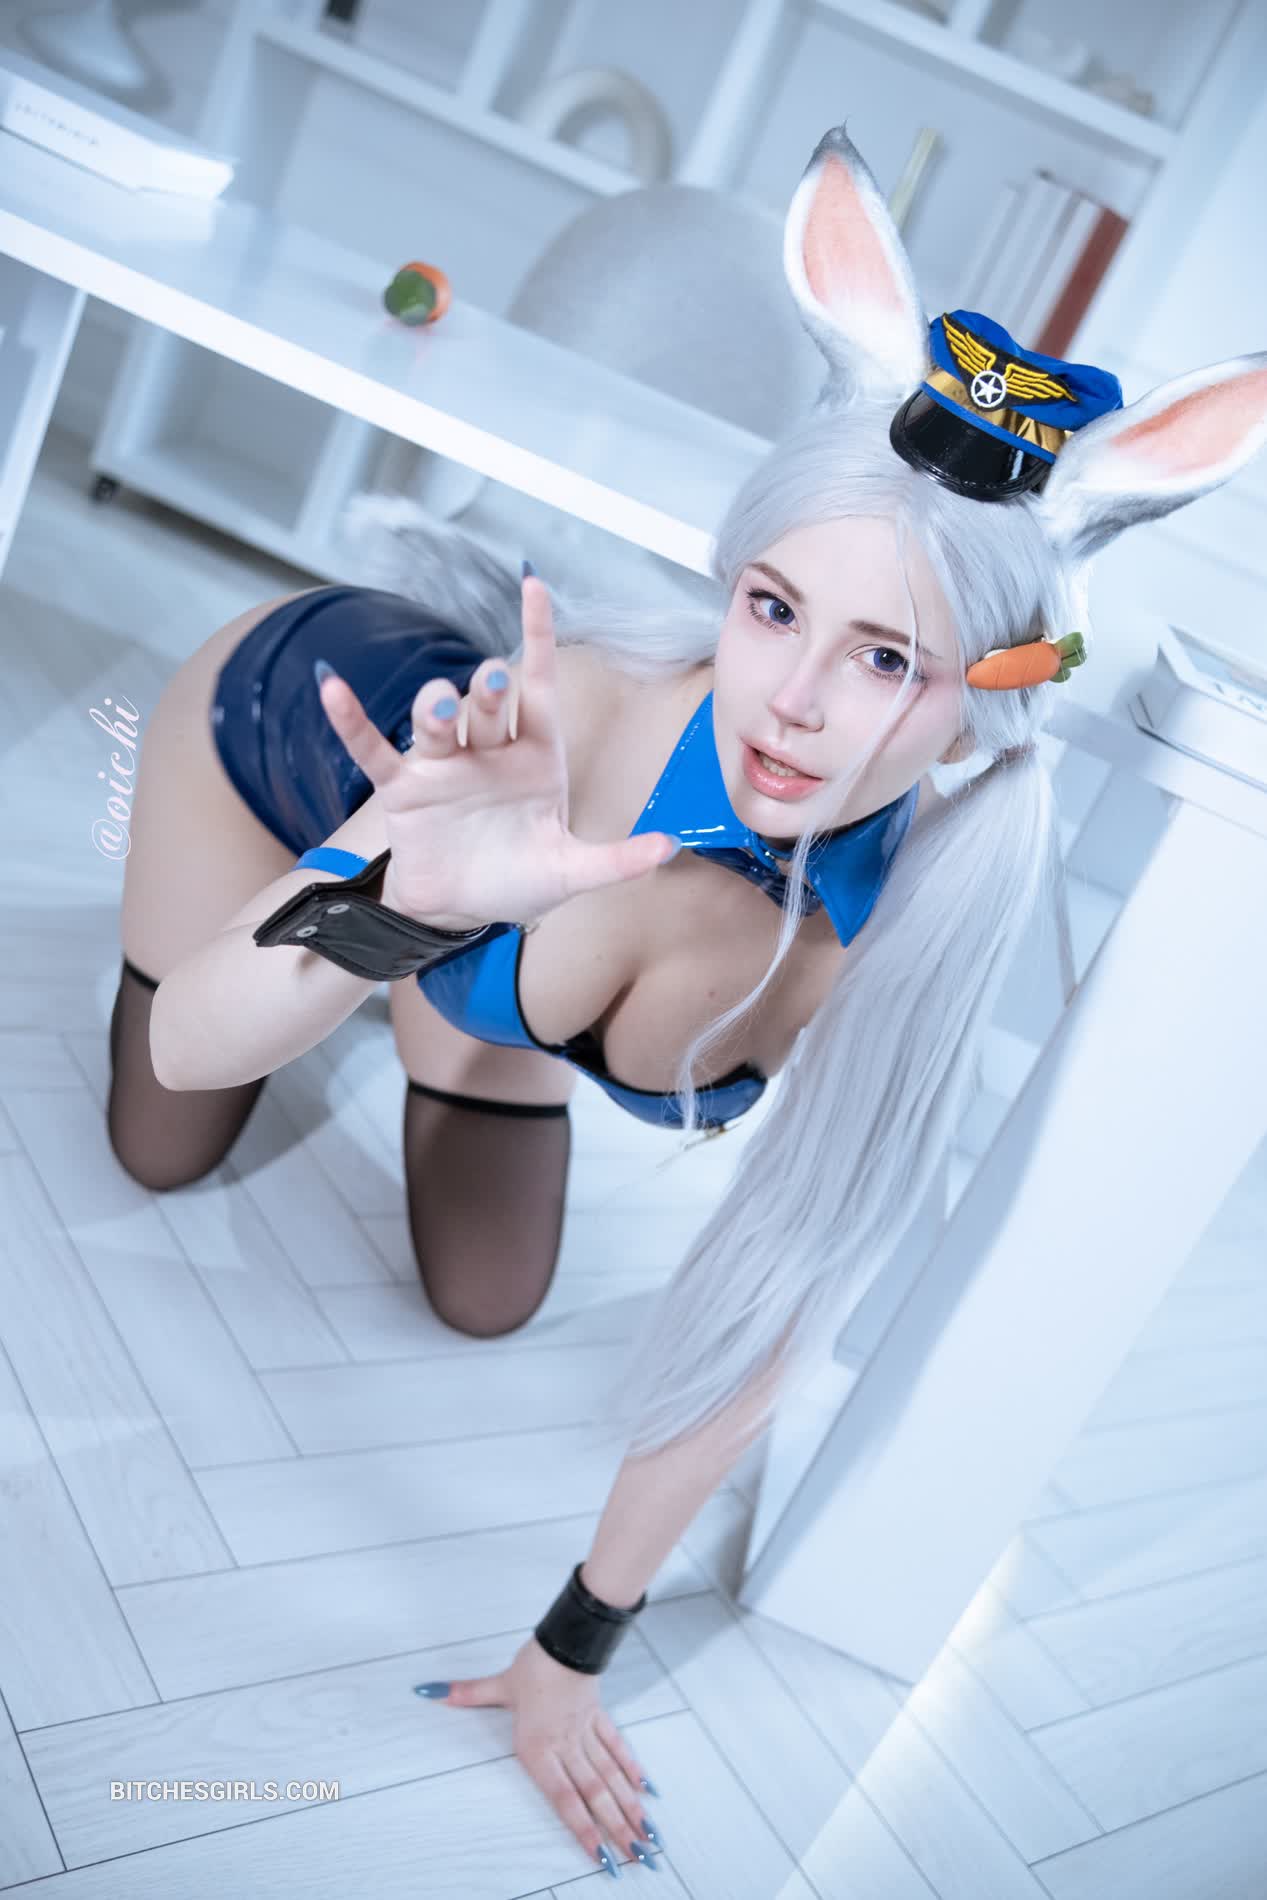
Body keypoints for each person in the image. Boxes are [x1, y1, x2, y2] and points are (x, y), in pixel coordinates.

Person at [105, 122, 1267, 1882]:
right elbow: (195, 1036)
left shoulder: (905, 933)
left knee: (487, 1299)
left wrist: (572, 1651)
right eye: (774, 608)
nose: (791, 703)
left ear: (987, 693)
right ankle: (399, 972)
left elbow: (782, 1291)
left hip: (480, 958)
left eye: (887, 659)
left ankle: (442, 1008)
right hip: (274, 733)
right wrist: (399, 903)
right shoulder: (558, 732)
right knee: (160, 1138)